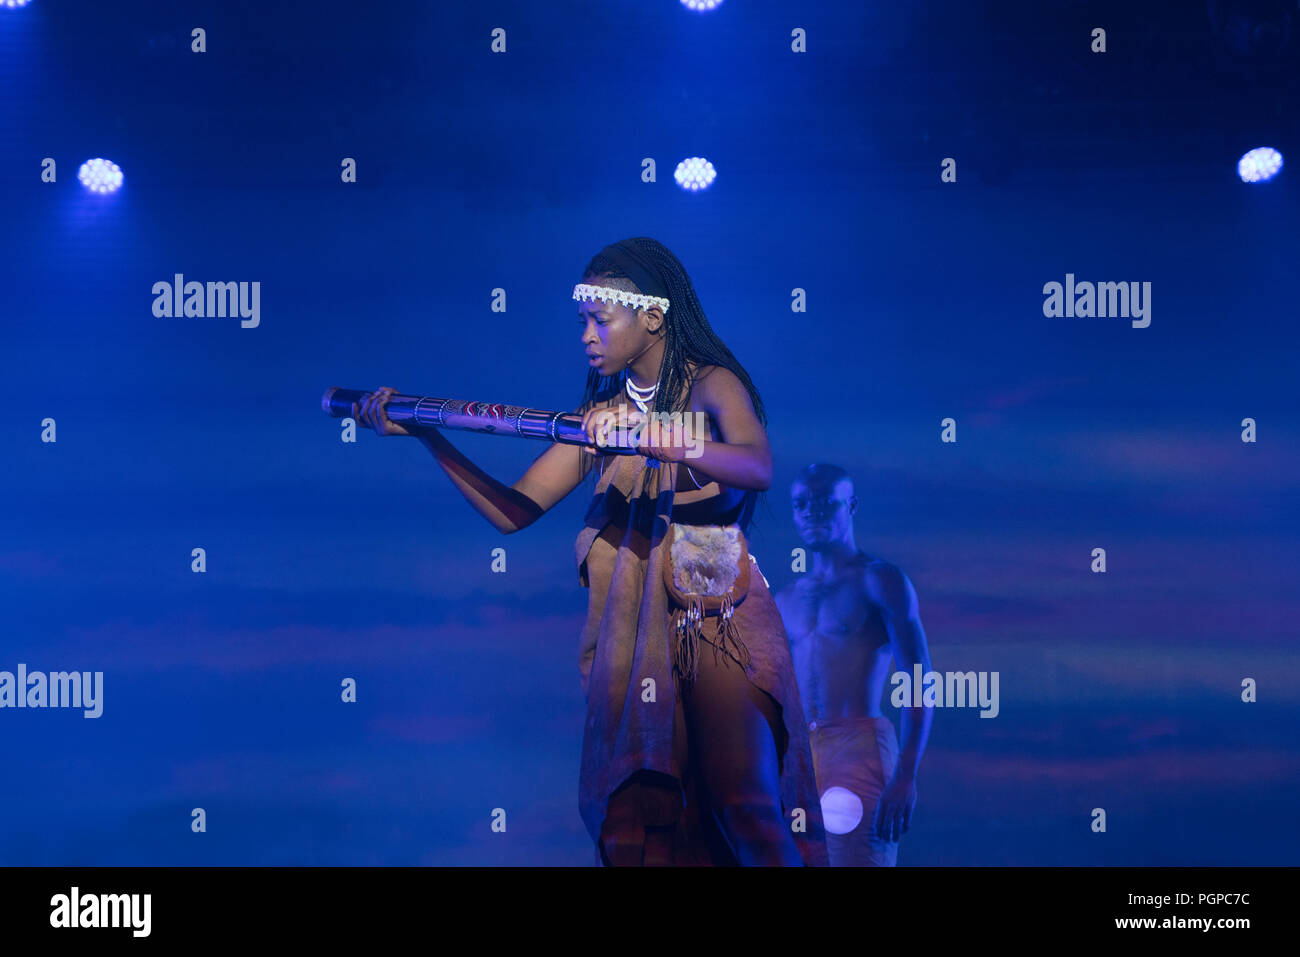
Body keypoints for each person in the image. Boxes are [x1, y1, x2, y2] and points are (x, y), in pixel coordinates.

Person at [351, 237, 827, 866]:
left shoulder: (711, 385)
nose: (587, 336)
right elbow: (513, 512)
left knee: (745, 806)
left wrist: (657, 437)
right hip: (632, 634)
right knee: (644, 827)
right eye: (582, 322)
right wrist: (427, 435)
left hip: (718, 621)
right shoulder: (598, 420)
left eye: (601, 319)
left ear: (653, 317)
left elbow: (758, 464)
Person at [774, 463, 933, 866]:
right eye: (801, 504)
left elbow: (918, 680)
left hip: (858, 747)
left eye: (826, 503)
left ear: (852, 506)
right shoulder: (785, 599)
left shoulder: (879, 580)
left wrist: (907, 775)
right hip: (800, 755)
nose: (812, 512)